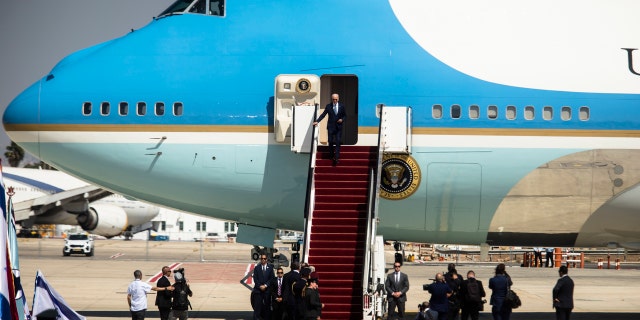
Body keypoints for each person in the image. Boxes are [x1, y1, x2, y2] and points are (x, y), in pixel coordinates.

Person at [312, 93, 347, 166]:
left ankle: (336, 158)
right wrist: (317, 121)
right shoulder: (328, 106)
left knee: (337, 142)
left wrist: (342, 119)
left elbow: (345, 115)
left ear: (338, 99)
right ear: (332, 99)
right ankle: (331, 155)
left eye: (336, 99)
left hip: (338, 127)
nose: (335, 100)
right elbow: (323, 115)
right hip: (331, 127)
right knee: (330, 142)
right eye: (333, 99)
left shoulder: (342, 106)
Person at [252, 254, 275, 320]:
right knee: (257, 307)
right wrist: (260, 286)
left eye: (264, 258)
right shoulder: (257, 268)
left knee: (267, 307)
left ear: (266, 259)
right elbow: (255, 279)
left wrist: (265, 285)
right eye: (262, 258)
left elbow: (271, 278)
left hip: (267, 290)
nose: (263, 260)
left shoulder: (270, 268)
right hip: (258, 291)